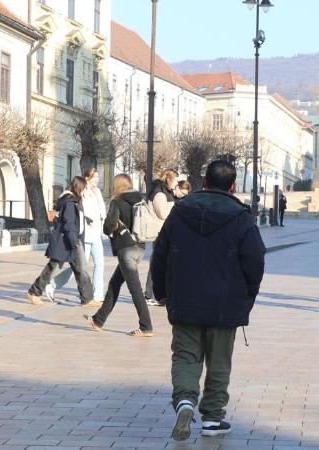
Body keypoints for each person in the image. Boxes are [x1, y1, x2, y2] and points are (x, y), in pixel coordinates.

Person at [151, 160, 265, 440]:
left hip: (185, 298)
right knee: (219, 361)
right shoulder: (241, 217)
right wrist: (248, 295)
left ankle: (185, 400)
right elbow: (255, 260)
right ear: (233, 185)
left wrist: (161, 290)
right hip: (226, 303)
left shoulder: (180, 212)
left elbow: (160, 253)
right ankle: (213, 417)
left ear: (203, 182)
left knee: (186, 355)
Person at [84, 174, 154, 337]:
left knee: (135, 289)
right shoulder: (139, 200)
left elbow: (108, 226)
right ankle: (98, 320)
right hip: (139, 248)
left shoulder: (117, 202)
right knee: (114, 284)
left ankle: (146, 326)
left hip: (126, 249)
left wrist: (110, 228)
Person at [25, 177, 94, 306]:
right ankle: (33, 292)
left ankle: (87, 299)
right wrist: (75, 242)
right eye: (84, 189)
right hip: (67, 242)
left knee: (81, 270)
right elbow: (68, 224)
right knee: (53, 268)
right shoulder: (69, 202)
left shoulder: (73, 201)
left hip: (71, 241)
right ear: (79, 188)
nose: (85, 191)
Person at [47, 168, 106, 304]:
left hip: (96, 234)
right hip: (85, 235)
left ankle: (97, 295)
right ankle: (52, 284)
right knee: (79, 268)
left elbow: (101, 210)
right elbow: (78, 212)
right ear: (87, 178)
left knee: (100, 264)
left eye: (97, 177)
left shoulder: (97, 192)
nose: (97, 179)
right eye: (94, 177)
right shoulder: (82, 193)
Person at [145, 169, 178, 307]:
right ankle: (151, 294)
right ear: (168, 179)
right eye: (175, 180)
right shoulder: (159, 192)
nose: (176, 183)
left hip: (164, 232)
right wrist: (176, 207)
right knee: (157, 262)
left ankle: (159, 294)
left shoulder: (166, 192)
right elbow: (163, 214)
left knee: (161, 262)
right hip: (159, 232)